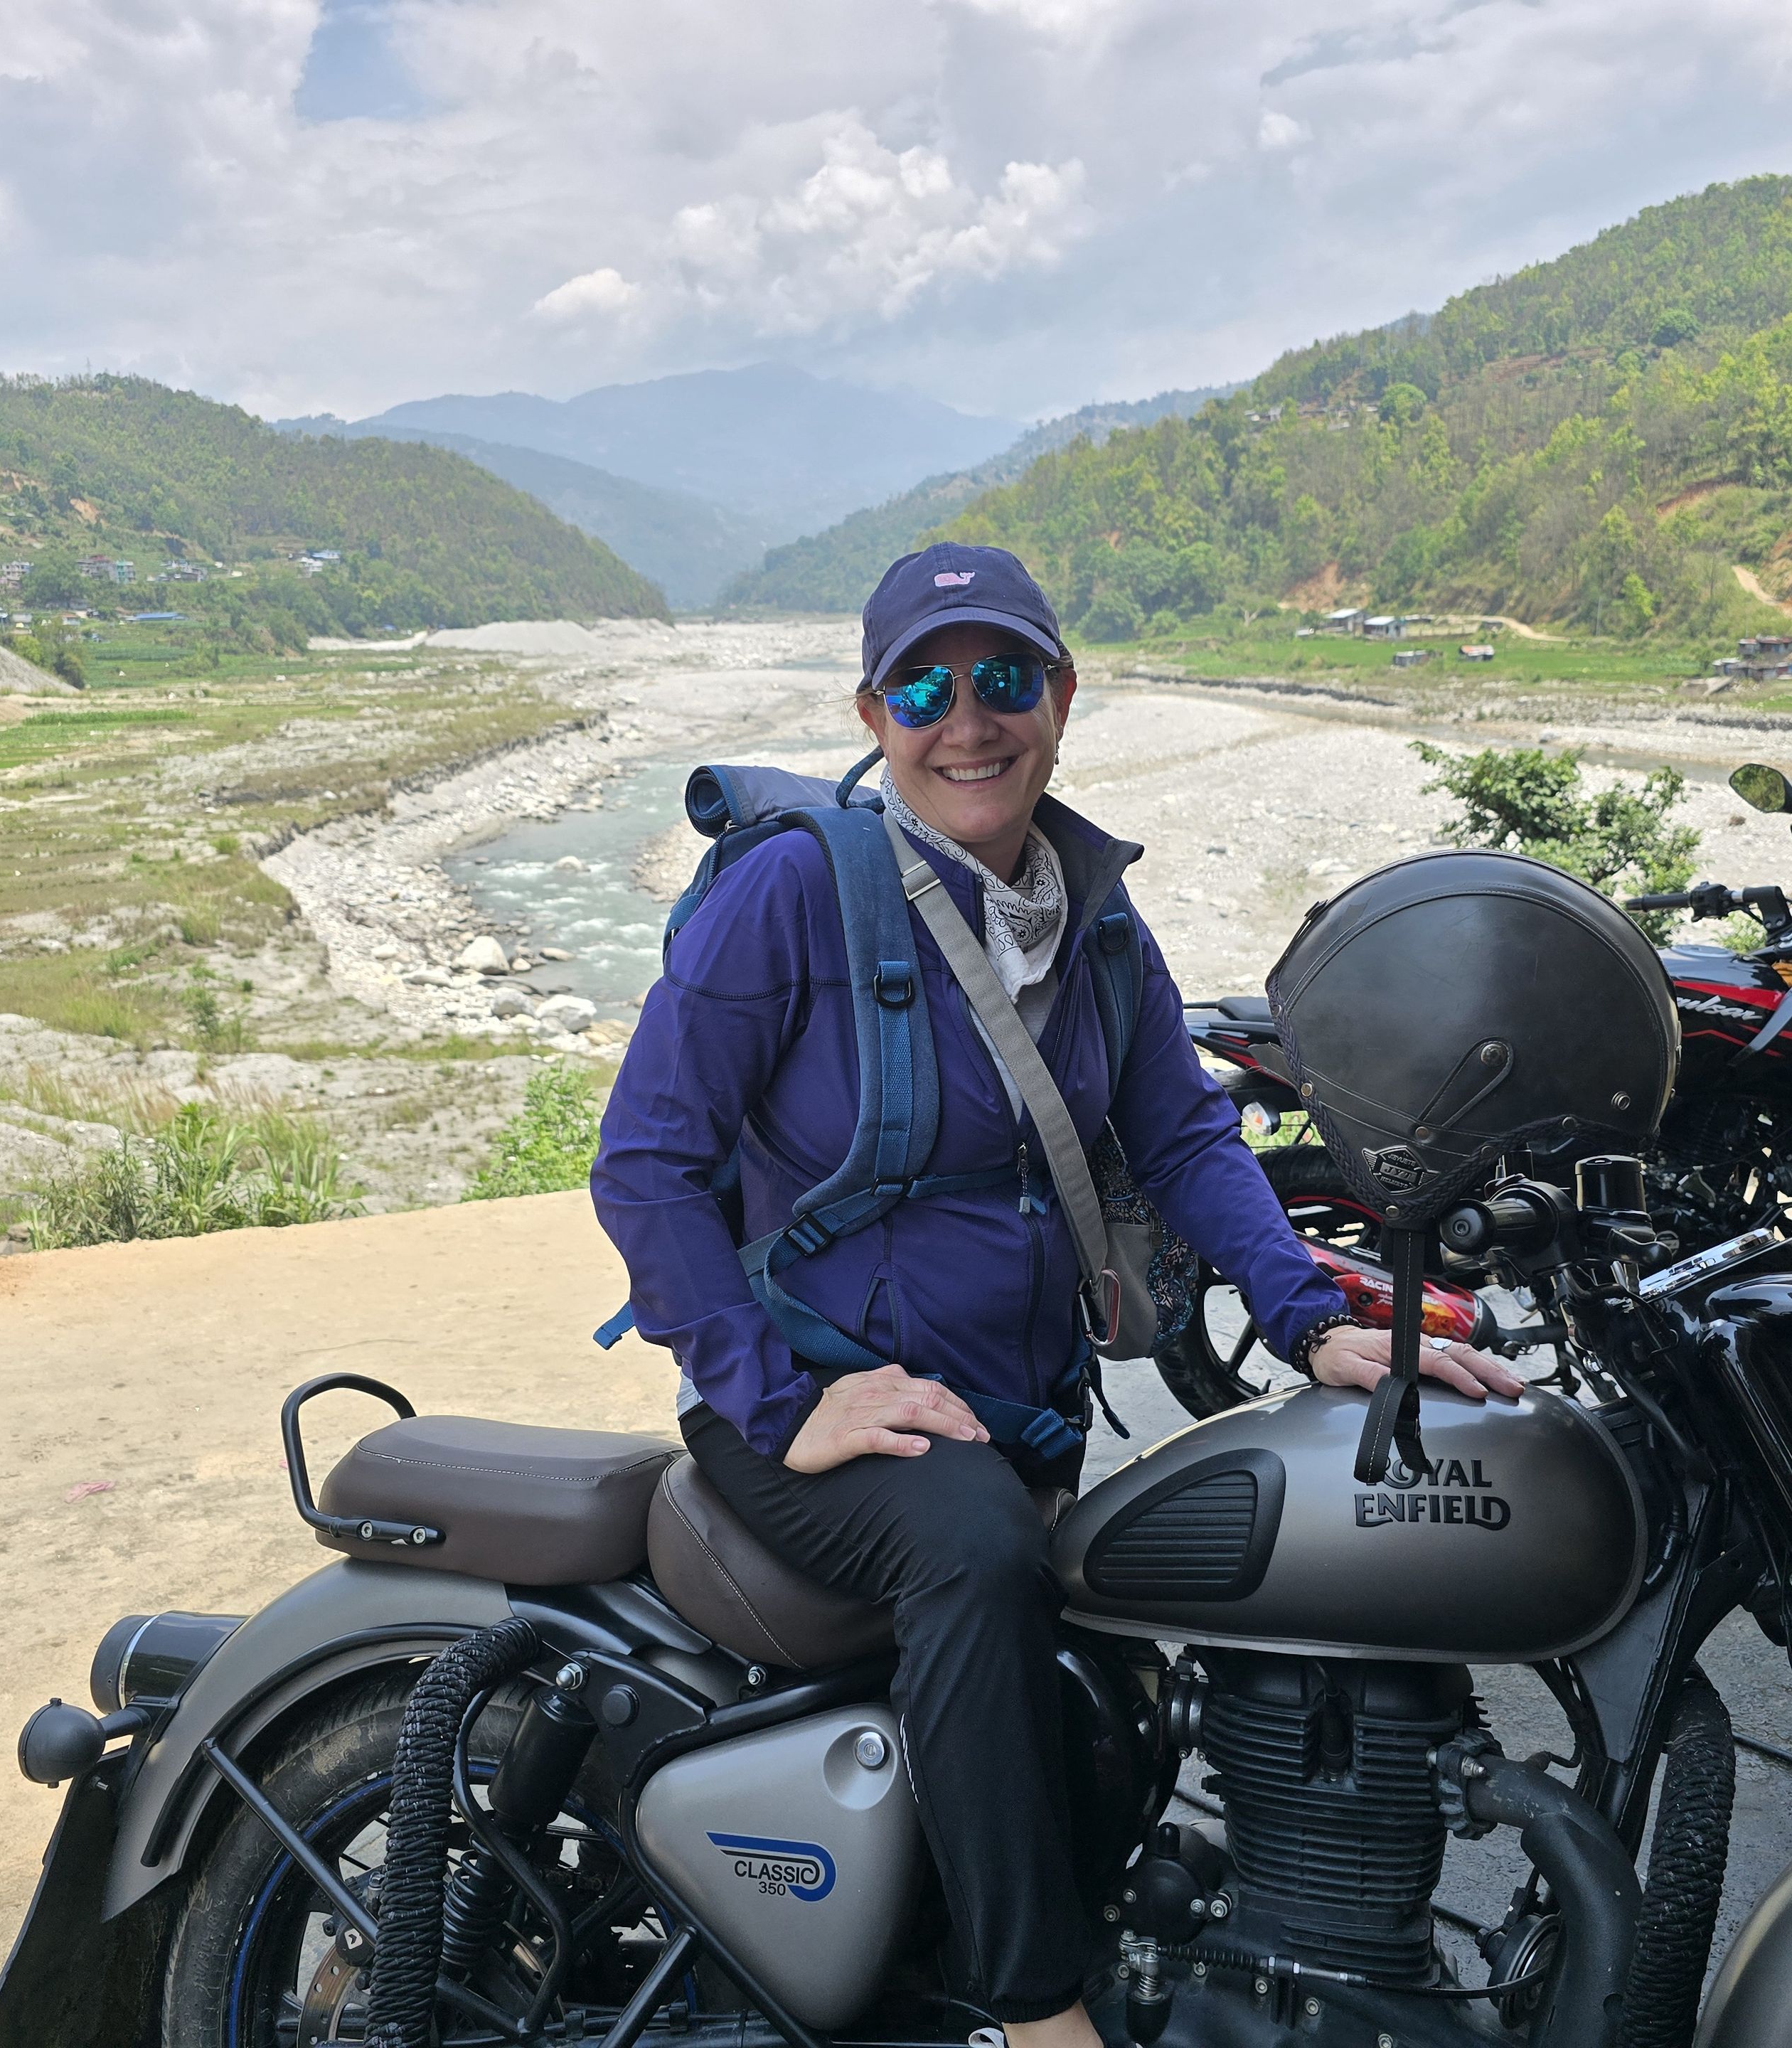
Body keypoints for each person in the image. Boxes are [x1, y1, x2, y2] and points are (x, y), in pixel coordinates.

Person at [590, 543, 1522, 2048]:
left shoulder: (1086, 913)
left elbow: (1182, 1132)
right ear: (875, 710)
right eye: (927, 686)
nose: (971, 721)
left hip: (1009, 1404)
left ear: (1063, 697)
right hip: (820, 1412)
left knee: (1134, 1615)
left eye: (1005, 679)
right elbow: (644, 1165)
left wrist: (1313, 1319)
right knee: (975, 1557)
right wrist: (784, 1398)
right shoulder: (793, 891)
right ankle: (1034, 2011)